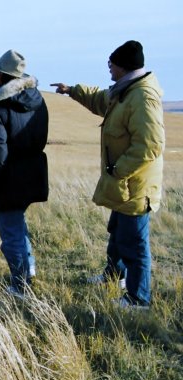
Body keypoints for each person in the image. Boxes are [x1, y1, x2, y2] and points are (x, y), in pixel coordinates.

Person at [51, 40, 164, 309]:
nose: (108, 68)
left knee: (134, 243)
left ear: (123, 66)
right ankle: (113, 277)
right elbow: (100, 99)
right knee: (117, 233)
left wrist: (118, 170)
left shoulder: (142, 97)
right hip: (122, 184)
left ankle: (139, 299)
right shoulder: (125, 92)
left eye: (111, 64)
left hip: (134, 185)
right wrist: (72, 91)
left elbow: (151, 144)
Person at [0, 49, 49, 297]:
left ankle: (21, 285)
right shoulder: (37, 100)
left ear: (0, 76)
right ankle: (28, 270)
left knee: (11, 233)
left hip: (6, 176)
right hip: (32, 172)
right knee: (18, 226)